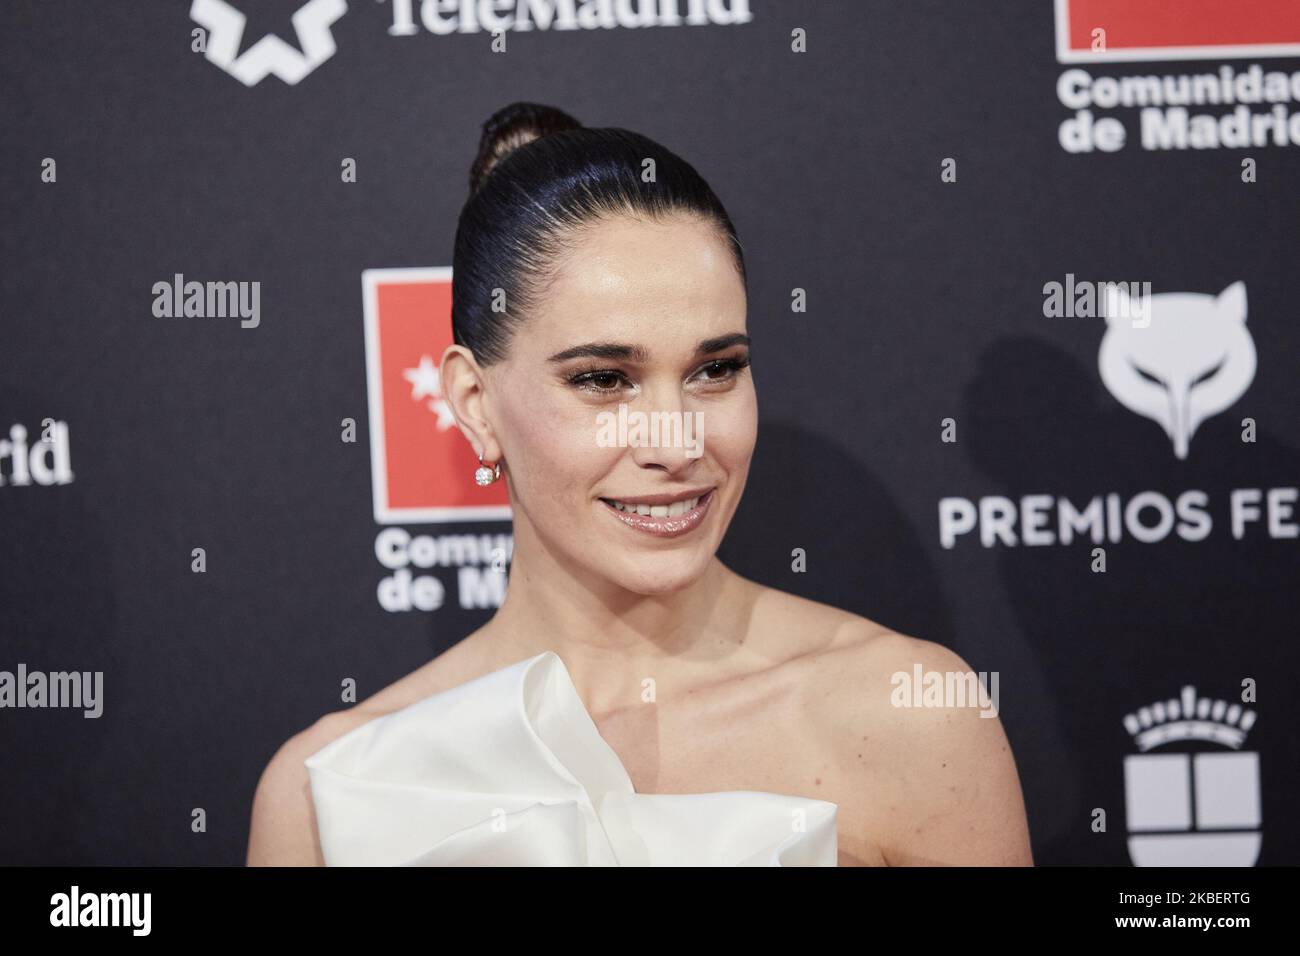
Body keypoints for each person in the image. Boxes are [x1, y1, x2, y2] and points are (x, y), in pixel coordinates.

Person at [246, 102, 1033, 866]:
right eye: (603, 380)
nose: (676, 440)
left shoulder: (909, 716)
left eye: (715, 370)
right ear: (476, 406)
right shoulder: (332, 791)